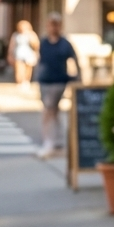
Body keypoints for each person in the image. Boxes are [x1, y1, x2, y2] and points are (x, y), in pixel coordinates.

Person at [36, 13, 78, 159]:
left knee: (49, 110)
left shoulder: (64, 43)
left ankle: (49, 142)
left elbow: (75, 60)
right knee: (52, 111)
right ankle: (56, 140)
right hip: (45, 80)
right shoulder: (44, 42)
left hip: (59, 81)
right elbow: (40, 61)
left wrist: (77, 77)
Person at [7, 19, 40, 88]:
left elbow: (36, 44)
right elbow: (12, 45)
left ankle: (26, 81)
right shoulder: (16, 35)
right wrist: (10, 54)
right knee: (19, 69)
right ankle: (19, 82)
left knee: (28, 69)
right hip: (19, 54)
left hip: (29, 54)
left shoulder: (31, 34)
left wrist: (36, 54)